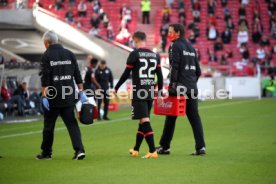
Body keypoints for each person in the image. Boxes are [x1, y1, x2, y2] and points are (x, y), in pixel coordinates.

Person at [36, 31, 87, 160]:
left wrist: (44, 96)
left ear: (47, 43)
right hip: (68, 95)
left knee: (49, 126)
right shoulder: (69, 54)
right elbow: (77, 75)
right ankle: (79, 150)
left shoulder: (46, 55)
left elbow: (45, 78)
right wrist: (81, 92)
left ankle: (47, 153)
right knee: (72, 124)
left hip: (53, 96)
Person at [156, 23, 206, 156]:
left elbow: (174, 67)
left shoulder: (174, 45)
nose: (168, 34)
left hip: (178, 87)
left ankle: (165, 147)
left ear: (178, 32)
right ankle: (201, 147)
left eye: (171, 31)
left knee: (171, 117)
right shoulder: (191, 47)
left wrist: (172, 85)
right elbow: (198, 71)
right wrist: (191, 84)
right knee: (195, 118)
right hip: (191, 87)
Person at [114, 31, 163, 158]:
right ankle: (136, 149)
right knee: (143, 121)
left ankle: (152, 150)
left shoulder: (134, 54)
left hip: (139, 91)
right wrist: (161, 91)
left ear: (135, 39)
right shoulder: (154, 55)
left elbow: (126, 73)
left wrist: (117, 87)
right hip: (150, 91)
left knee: (144, 120)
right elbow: (160, 75)